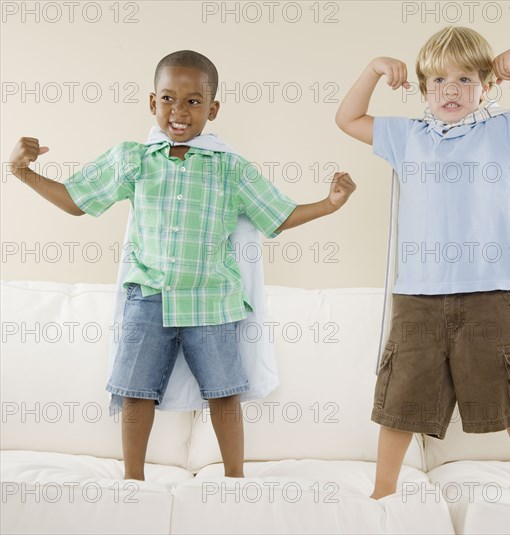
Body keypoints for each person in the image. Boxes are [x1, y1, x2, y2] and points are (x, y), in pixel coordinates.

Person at [9, 50, 356, 482]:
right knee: (134, 391)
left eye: (194, 102)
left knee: (225, 393)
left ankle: (234, 481)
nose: (179, 111)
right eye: (169, 98)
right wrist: (22, 173)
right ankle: (132, 482)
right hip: (148, 297)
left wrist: (329, 204)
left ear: (212, 110)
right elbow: (78, 202)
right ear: (152, 103)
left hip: (211, 300)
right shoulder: (132, 159)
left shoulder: (229, 169)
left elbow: (277, 216)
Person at [335, 26, 510, 521]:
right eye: (440, 81)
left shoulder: (509, 131)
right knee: (399, 400)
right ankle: (383, 493)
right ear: (423, 89)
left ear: (487, 88)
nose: (452, 90)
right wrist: (374, 69)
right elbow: (348, 117)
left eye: (467, 79)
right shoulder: (407, 137)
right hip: (417, 296)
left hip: (491, 295)